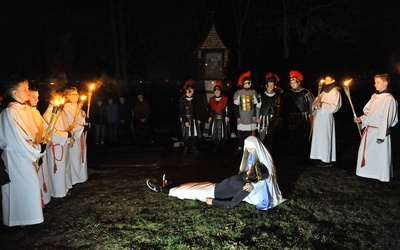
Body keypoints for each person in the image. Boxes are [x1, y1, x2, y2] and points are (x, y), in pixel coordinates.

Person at [0, 76, 45, 226]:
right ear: (14, 92)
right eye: (24, 89)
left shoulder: (25, 109)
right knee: (25, 186)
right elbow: (17, 138)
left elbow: (32, 132)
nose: (27, 91)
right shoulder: (9, 112)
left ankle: (28, 219)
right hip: (16, 156)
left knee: (29, 185)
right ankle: (19, 220)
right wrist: (36, 150)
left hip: (26, 153)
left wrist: (39, 145)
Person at [146, 162, 269, 208]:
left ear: (253, 173)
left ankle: (161, 189)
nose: (250, 166)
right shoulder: (244, 177)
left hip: (211, 193)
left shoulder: (246, 187)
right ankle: (171, 185)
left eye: (252, 168)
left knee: (185, 192)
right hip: (213, 186)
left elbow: (233, 203)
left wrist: (213, 202)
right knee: (191, 185)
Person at [353, 73, 398, 182]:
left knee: (379, 154)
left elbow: (387, 118)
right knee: (367, 153)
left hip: (380, 131)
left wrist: (381, 135)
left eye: (377, 82)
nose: (375, 84)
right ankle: (365, 173)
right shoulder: (374, 96)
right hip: (369, 130)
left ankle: (379, 175)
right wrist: (361, 120)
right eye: (375, 82)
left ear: (385, 83)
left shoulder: (389, 99)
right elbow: (369, 113)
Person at [238, 136, 285, 210]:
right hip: (249, 180)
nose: (249, 151)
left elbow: (265, 177)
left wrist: (253, 184)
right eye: (247, 149)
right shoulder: (249, 155)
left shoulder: (264, 157)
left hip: (260, 183)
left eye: (251, 149)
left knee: (256, 198)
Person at [310, 75, 342, 167]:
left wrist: (322, 105)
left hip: (326, 117)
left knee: (326, 137)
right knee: (319, 137)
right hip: (319, 117)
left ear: (333, 80)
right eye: (325, 80)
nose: (326, 81)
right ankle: (319, 156)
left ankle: (326, 159)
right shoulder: (323, 92)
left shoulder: (335, 92)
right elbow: (316, 103)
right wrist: (315, 105)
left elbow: (335, 106)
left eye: (328, 80)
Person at [43, 95, 71, 198]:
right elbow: (51, 131)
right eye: (58, 98)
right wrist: (66, 135)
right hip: (56, 145)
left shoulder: (60, 112)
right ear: (52, 100)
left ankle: (65, 187)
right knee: (57, 170)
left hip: (63, 144)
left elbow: (66, 126)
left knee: (64, 168)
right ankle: (58, 192)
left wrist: (69, 137)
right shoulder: (47, 114)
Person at [27, 87, 52, 205]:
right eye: (33, 97)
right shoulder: (25, 113)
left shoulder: (36, 112)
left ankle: (44, 198)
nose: (37, 99)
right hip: (33, 150)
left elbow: (44, 128)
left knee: (43, 174)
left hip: (41, 148)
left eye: (37, 97)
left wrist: (48, 137)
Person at [282, 70, 314, 159]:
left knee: (302, 134)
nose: (292, 84)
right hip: (292, 117)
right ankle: (293, 152)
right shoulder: (288, 93)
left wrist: (310, 114)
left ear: (298, 82)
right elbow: (285, 105)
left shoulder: (305, 92)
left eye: (293, 83)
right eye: (291, 83)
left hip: (303, 117)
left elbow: (311, 104)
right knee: (293, 135)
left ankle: (303, 152)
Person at [63, 86, 88, 185]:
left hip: (80, 135)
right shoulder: (66, 108)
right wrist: (82, 127)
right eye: (74, 94)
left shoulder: (77, 106)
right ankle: (74, 178)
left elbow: (82, 116)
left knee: (81, 155)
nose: (77, 96)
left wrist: (86, 121)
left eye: (77, 93)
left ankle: (82, 176)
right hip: (74, 137)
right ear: (67, 96)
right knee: (75, 156)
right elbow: (71, 124)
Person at [233, 71, 259, 152]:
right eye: (247, 83)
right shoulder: (238, 93)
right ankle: (240, 147)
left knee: (249, 133)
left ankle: (248, 148)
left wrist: (254, 115)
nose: (248, 85)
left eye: (249, 83)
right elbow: (236, 106)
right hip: (241, 116)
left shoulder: (254, 92)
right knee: (241, 134)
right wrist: (237, 116)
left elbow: (255, 104)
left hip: (250, 116)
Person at [257, 72, 283, 151]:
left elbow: (278, 109)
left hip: (272, 119)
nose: (271, 86)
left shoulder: (277, 96)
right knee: (261, 137)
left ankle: (270, 153)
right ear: (266, 85)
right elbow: (258, 107)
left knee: (271, 138)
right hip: (262, 118)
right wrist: (257, 117)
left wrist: (277, 119)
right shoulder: (261, 95)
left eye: (272, 85)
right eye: (269, 85)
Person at [179, 79, 201, 154]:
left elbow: (196, 110)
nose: (193, 92)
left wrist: (198, 119)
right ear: (188, 91)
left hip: (193, 119)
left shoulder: (194, 100)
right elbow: (181, 112)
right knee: (186, 135)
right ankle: (185, 148)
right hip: (186, 120)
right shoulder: (182, 101)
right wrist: (185, 121)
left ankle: (193, 147)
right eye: (192, 91)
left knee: (194, 134)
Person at [207, 81, 229, 152]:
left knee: (222, 133)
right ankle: (216, 146)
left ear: (220, 91)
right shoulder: (211, 100)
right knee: (215, 133)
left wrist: (227, 116)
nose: (217, 92)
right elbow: (209, 109)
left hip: (222, 118)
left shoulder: (225, 99)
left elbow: (228, 108)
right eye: (215, 91)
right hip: (214, 119)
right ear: (214, 92)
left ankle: (222, 147)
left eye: (218, 91)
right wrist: (209, 116)